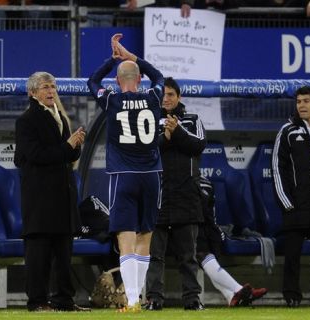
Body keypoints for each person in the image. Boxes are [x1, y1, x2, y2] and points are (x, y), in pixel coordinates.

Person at [87, 33, 164, 312]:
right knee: (146, 234)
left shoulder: (112, 100)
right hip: (152, 174)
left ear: (118, 82)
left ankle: (131, 299)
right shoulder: (155, 96)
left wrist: (112, 59)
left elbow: (92, 81)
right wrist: (132, 57)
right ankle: (139, 297)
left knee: (125, 235)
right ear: (140, 79)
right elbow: (159, 76)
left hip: (123, 175)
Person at [14, 71, 89, 312]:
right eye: (45, 87)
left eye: (53, 86)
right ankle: (37, 301)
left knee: (63, 252)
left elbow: (65, 155)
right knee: (39, 253)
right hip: (39, 197)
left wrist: (75, 146)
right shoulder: (26, 120)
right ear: (32, 92)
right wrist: (67, 146)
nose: (51, 91)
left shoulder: (60, 118)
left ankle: (64, 300)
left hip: (62, 195)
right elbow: (35, 155)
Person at [144, 77, 206, 311]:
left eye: (171, 94)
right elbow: (145, 151)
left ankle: (192, 299)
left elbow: (199, 145)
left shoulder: (192, 120)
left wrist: (177, 132)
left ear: (179, 97)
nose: (166, 99)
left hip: (186, 196)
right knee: (155, 255)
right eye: (163, 94)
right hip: (157, 196)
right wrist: (164, 137)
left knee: (188, 256)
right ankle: (154, 299)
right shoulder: (148, 119)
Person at [272, 85, 310, 308]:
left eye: (306, 101)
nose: (301, 106)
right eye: (298, 101)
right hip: (296, 206)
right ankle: (291, 296)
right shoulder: (287, 131)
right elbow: (277, 169)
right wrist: (287, 203)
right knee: (292, 256)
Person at [196, 176, 268, 307]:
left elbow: (210, 218)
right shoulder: (169, 180)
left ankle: (232, 297)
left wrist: (216, 235)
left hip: (195, 232)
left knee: (206, 252)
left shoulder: (205, 183)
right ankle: (239, 290)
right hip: (171, 232)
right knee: (202, 253)